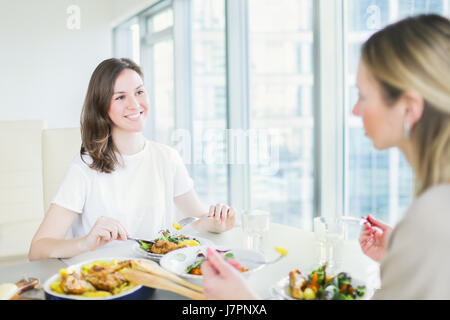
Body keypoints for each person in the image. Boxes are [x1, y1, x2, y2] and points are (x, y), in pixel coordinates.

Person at [200, 14, 450, 300]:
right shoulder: (433, 218)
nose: (356, 110)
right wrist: (404, 255)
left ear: (408, 108)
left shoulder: (434, 218)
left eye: (363, 95)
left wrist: (241, 302)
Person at [28, 58, 236, 260]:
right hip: (102, 281)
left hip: (154, 276)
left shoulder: (167, 158)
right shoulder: (84, 168)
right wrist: (85, 242)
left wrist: (218, 222)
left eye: (139, 92)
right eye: (120, 97)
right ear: (102, 107)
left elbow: (197, 219)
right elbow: (38, 249)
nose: (135, 104)